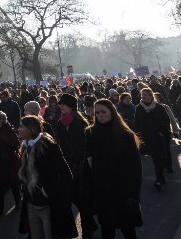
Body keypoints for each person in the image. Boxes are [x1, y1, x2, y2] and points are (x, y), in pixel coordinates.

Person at [85, 98, 143, 239]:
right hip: (102, 191)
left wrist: (134, 195)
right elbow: (88, 163)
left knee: (128, 230)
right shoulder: (90, 133)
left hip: (123, 191)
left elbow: (135, 167)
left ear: (112, 112)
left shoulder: (125, 134)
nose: (100, 115)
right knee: (107, 230)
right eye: (97, 113)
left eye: (103, 112)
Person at [17, 115, 77, 239]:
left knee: (52, 234)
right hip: (31, 201)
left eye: (21, 126)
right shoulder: (25, 146)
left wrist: (51, 192)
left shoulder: (48, 146)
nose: (18, 129)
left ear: (31, 129)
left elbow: (65, 173)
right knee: (35, 235)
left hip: (48, 203)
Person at [55, 92, 97, 239]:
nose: (61, 106)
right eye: (60, 104)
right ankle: (90, 222)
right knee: (73, 198)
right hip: (66, 168)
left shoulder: (80, 122)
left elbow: (84, 147)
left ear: (71, 106)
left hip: (80, 168)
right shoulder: (61, 123)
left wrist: (78, 163)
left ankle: (88, 231)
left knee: (83, 201)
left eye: (63, 104)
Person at [133, 88, 171, 189]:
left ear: (151, 96)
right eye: (142, 94)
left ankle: (160, 176)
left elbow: (166, 121)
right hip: (147, 137)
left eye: (145, 94)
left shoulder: (159, 107)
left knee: (160, 157)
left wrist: (162, 132)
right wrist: (140, 134)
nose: (143, 96)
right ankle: (159, 178)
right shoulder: (139, 108)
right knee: (154, 158)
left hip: (159, 137)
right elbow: (136, 123)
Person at [0, 111, 21, 217]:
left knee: (13, 184)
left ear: (0, 121)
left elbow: (17, 144)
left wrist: (7, 142)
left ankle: (18, 202)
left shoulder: (9, 131)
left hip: (9, 162)